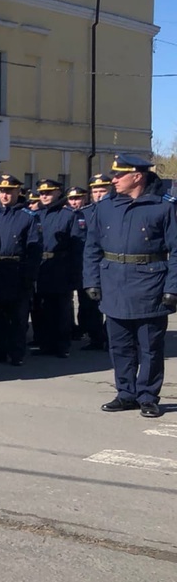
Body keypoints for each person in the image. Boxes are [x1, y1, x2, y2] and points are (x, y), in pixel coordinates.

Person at [83, 154, 177, 417]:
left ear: (137, 176)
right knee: (120, 345)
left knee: (149, 346)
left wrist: (173, 287)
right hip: (114, 282)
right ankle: (125, 393)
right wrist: (91, 280)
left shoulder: (163, 206)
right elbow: (92, 247)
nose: (114, 180)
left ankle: (147, 395)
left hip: (150, 284)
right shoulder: (105, 207)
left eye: (119, 175)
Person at [0, 173, 42, 367]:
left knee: (17, 317)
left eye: (9, 191)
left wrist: (30, 276)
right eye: (1, 191)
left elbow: (34, 250)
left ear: (18, 191)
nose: (5, 195)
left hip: (17, 270)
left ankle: (17, 353)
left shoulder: (28, 217)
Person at [33, 179, 83, 358]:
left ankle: (62, 345)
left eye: (48, 193)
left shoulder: (69, 215)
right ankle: (45, 344)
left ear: (58, 193)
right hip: (41, 267)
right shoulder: (36, 214)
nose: (44, 196)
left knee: (61, 310)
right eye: (41, 193)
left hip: (61, 267)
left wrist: (75, 275)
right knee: (42, 309)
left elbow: (77, 247)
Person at [75, 173, 112, 350]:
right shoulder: (85, 213)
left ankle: (110, 337)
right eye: (95, 191)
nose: (99, 194)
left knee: (112, 304)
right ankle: (96, 338)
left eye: (103, 190)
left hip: (111, 265)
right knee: (89, 305)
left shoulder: (117, 210)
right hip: (90, 266)